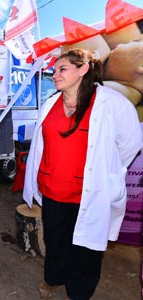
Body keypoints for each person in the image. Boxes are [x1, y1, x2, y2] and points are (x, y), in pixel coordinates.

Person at [22, 48, 142, 300]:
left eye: (62, 69)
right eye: (54, 70)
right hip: (53, 190)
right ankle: (54, 279)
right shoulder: (50, 103)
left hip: (91, 193)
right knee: (56, 241)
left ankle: (80, 292)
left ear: (83, 69)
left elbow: (130, 143)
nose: (55, 74)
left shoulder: (112, 102)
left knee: (86, 248)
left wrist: (107, 171)